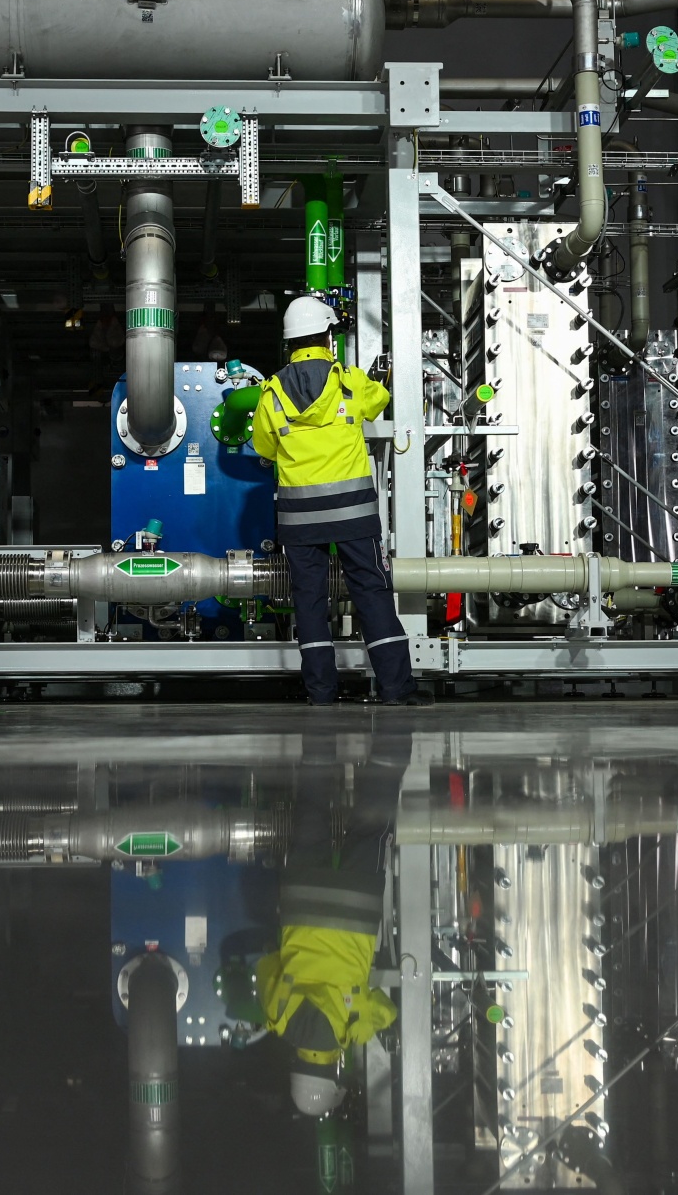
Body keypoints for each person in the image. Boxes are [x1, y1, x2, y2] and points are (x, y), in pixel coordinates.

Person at [252, 295, 430, 706]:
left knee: (309, 600)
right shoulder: (349, 381)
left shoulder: (271, 395)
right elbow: (381, 401)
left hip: (299, 519)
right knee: (371, 591)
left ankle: (321, 693)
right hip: (353, 513)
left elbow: (263, 445)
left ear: (289, 342)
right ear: (329, 336)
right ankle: (396, 690)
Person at [256, 750, 402, 1119]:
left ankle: (390, 745)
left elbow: (387, 1011)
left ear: (332, 1074)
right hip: (304, 898)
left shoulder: (355, 1029)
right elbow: (266, 963)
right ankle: (319, 734)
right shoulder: (277, 1017)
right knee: (310, 816)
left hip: (357, 903)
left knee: (372, 823)